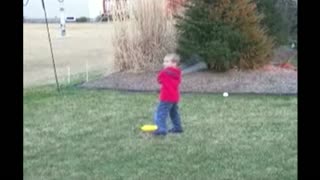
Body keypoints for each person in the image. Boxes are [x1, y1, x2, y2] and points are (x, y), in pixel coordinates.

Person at [153, 53, 183, 136]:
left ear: (174, 63)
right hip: (175, 97)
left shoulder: (164, 72)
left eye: (166, 61)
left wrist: (163, 73)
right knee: (174, 113)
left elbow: (159, 80)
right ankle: (177, 127)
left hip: (166, 97)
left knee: (160, 113)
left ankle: (161, 129)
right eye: (164, 61)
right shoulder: (178, 73)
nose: (164, 63)